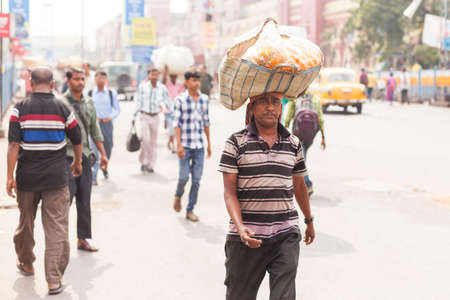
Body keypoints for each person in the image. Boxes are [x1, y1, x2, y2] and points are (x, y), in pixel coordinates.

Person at [219, 92, 315, 300]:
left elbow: (299, 184)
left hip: (285, 234)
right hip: (246, 238)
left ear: (281, 109)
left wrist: (309, 220)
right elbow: (229, 193)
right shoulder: (236, 142)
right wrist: (241, 227)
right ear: (251, 108)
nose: (270, 107)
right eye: (263, 102)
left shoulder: (293, 143)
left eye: (275, 103)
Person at [7, 67, 83, 295]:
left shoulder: (19, 109)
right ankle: (53, 280)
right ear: (52, 84)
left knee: (25, 222)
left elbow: (13, 145)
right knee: (57, 228)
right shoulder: (62, 108)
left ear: (30, 84)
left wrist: (9, 177)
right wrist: (77, 162)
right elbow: (77, 137)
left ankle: (27, 263)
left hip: (27, 177)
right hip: (56, 178)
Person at [63, 68, 109, 252]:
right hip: (65, 158)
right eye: (76, 79)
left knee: (84, 199)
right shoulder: (61, 103)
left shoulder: (89, 102)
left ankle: (82, 239)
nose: (80, 82)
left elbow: (95, 131)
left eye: (82, 79)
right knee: (65, 200)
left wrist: (103, 154)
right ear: (68, 81)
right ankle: (60, 240)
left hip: (84, 157)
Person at [172, 71, 211, 222]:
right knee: (183, 177)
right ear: (187, 82)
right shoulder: (180, 100)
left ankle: (190, 210)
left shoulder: (204, 100)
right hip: (185, 146)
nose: (196, 83)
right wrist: (179, 145)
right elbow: (176, 124)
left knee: (196, 180)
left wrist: (208, 144)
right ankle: (178, 195)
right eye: (193, 80)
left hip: (199, 146)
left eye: (198, 80)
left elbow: (206, 123)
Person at [284, 91, 326, 196]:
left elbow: (288, 117)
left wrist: (283, 132)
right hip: (310, 136)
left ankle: (308, 184)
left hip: (298, 134)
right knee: (302, 157)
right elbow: (320, 119)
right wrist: (323, 137)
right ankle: (301, 185)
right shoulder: (315, 99)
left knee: (300, 160)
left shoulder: (295, 99)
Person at [132, 68, 171, 173]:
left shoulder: (162, 88)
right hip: (144, 116)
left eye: (156, 75)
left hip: (155, 117)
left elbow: (168, 101)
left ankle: (150, 165)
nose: (154, 76)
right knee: (146, 140)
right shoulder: (143, 87)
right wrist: (133, 116)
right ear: (148, 75)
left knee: (153, 143)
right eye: (152, 74)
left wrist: (173, 113)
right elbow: (138, 101)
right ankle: (143, 161)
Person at [89, 70, 120, 185]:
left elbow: (117, 110)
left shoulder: (111, 93)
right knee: (95, 150)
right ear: (95, 79)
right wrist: (92, 117)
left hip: (107, 124)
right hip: (94, 125)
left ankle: (104, 166)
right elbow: (87, 109)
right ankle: (93, 176)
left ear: (106, 80)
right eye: (98, 78)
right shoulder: (90, 93)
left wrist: (110, 116)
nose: (101, 80)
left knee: (107, 148)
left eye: (103, 78)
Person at [162, 65, 185, 153]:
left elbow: (186, 84)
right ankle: (172, 144)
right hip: (168, 111)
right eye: (172, 76)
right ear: (170, 77)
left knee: (177, 128)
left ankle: (172, 143)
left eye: (175, 76)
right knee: (172, 128)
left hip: (178, 111)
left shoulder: (180, 86)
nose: (173, 77)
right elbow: (163, 82)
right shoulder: (167, 85)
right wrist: (165, 72)